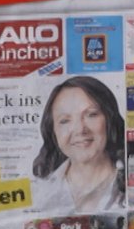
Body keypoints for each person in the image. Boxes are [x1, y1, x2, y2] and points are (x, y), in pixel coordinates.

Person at [29, 76, 126, 215]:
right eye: (64, 121)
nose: (80, 129)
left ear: (109, 120)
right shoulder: (37, 193)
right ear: (53, 131)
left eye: (91, 115)